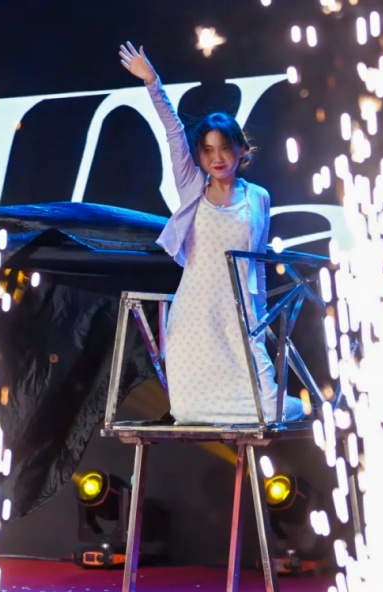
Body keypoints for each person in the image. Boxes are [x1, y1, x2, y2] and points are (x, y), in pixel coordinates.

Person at [119, 42, 303, 425]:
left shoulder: (257, 197)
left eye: (224, 148)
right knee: (189, 411)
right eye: (207, 150)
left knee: (271, 410)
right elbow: (173, 131)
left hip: (239, 312)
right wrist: (153, 83)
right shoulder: (193, 188)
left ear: (241, 149)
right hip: (196, 314)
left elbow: (259, 263)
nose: (216, 158)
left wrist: (258, 317)